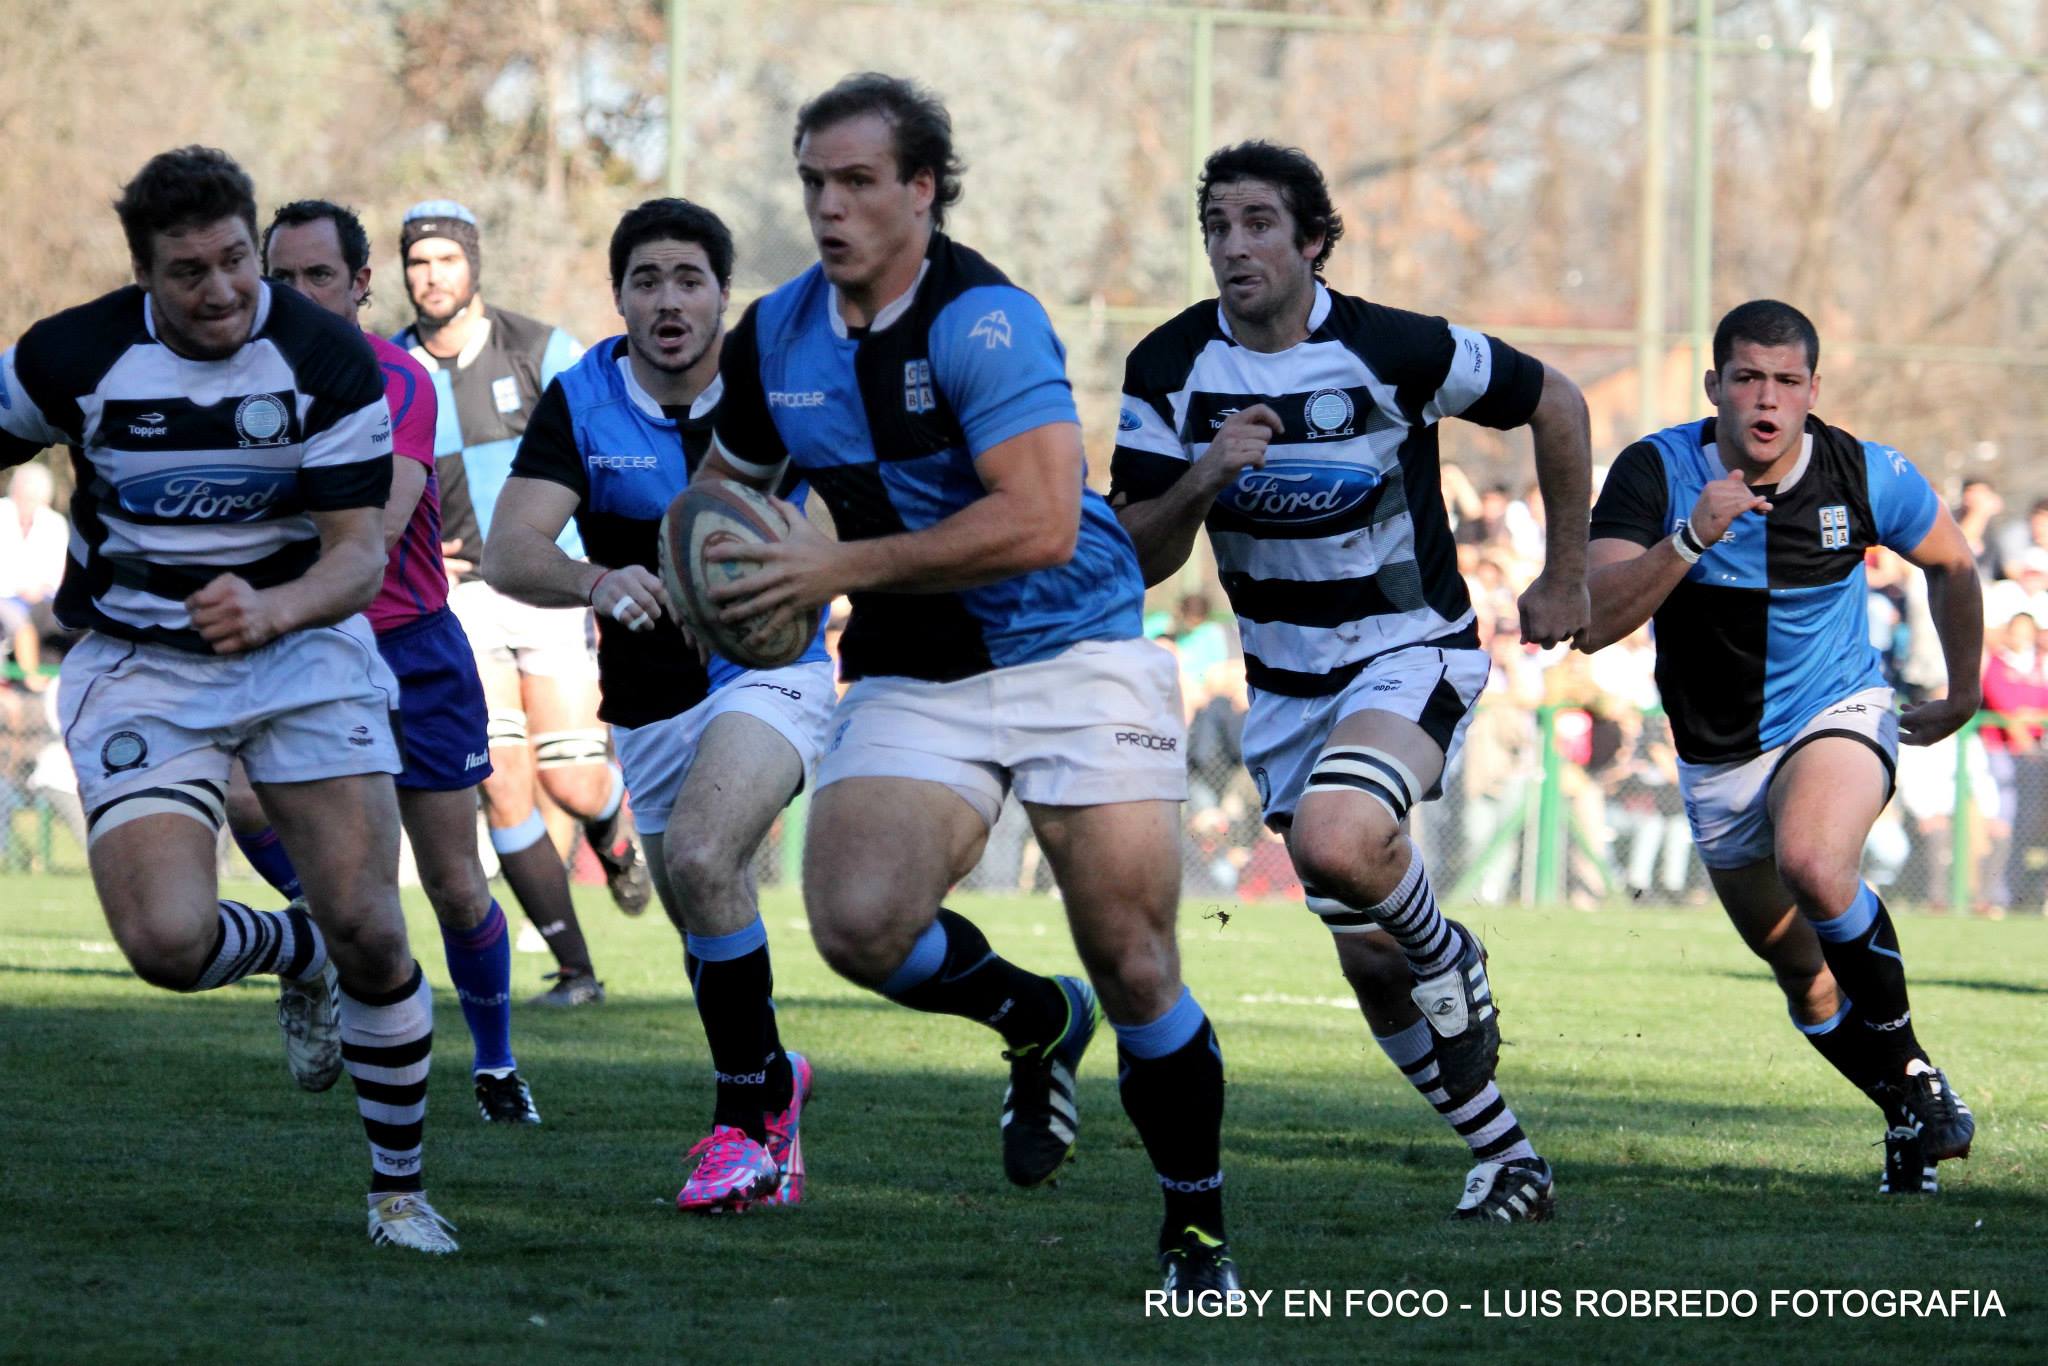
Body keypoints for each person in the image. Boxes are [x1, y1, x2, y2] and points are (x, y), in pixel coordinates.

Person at [692, 73, 1237, 1292]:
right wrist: (701, 564)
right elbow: (725, 491)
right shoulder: (776, 332)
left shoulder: (983, 321)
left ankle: (1194, 1231)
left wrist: (829, 563)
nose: (828, 208)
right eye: (813, 184)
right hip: (913, 659)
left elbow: (1043, 523)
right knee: (856, 923)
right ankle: (1032, 1021)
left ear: (922, 190)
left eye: (857, 183)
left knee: (1135, 955)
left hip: (1072, 645)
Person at [1110, 140, 1587, 1222]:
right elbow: (1137, 556)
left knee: (1336, 843)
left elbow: (1554, 401)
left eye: (1258, 224)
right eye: (1217, 227)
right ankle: (1505, 1152)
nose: (1234, 246)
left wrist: (1563, 572)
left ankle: (1448, 950)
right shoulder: (1167, 369)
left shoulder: (1394, 347)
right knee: (1369, 958)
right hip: (1279, 689)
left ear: (1312, 240)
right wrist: (1200, 475)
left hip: (1407, 653)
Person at [0, 147, 455, 1251]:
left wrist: (274, 609)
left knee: (373, 928)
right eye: (188, 270)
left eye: (236, 261)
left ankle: (399, 1194)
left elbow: (358, 558)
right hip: (141, 662)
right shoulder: (67, 356)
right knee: (167, 943)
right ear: (142, 276)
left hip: (301, 647)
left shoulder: (330, 360)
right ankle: (290, 952)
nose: (220, 291)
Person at [1580, 298, 1981, 1194]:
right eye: (1749, 379)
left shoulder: (1867, 473)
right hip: (1715, 755)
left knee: (1814, 860)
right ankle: (1906, 1117)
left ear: (1812, 392)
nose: (1767, 400)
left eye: (1787, 382)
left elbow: (1954, 562)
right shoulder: (1653, 471)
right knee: (1803, 978)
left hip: (1834, 710)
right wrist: (1691, 537)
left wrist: (1962, 689)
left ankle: (1914, 1072)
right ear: (1714, 385)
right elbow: (1596, 620)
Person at [484, 198, 830, 1209]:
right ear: (619, 297)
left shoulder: (780, 384)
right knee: (701, 920)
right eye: (646, 279)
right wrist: (595, 581)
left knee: (701, 857)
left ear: (723, 294)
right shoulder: (583, 396)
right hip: (647, 698)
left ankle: (740, 1131)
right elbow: (512, 547)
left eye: (689, 278)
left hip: (771, 670)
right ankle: (775, 1082)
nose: (668, 299)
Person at [220, 198, 538, 1124]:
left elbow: (381, 527)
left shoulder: (398, 378)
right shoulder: (232, 384)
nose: (297, 294)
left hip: (409, 648)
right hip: (304, 641)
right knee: (242, 796)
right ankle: (319, 937)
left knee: (451, 881)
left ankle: (495, 1064)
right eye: (280, 277)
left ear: (360, 284)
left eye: (319, 275)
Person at [392, 199, 635, 1004]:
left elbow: (601, 444)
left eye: (446, 260)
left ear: (474, 266)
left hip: (546, 584)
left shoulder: (541, 349)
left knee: (571, 783)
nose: (432, 276)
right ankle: (576, 971)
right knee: (499, 779)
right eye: (418, 262)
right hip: (456, 597)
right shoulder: (387, 366)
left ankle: (613, 829)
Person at [0, 461, 68, 691]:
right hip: (6, 597)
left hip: (44, 597)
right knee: (20, 621)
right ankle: (32, 681)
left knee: (66, 619)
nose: (28, 503)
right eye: (24, 496)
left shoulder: (54, 523)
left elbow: (58, 572)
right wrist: (20, 587)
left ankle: (56, 683)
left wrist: (39, 587)